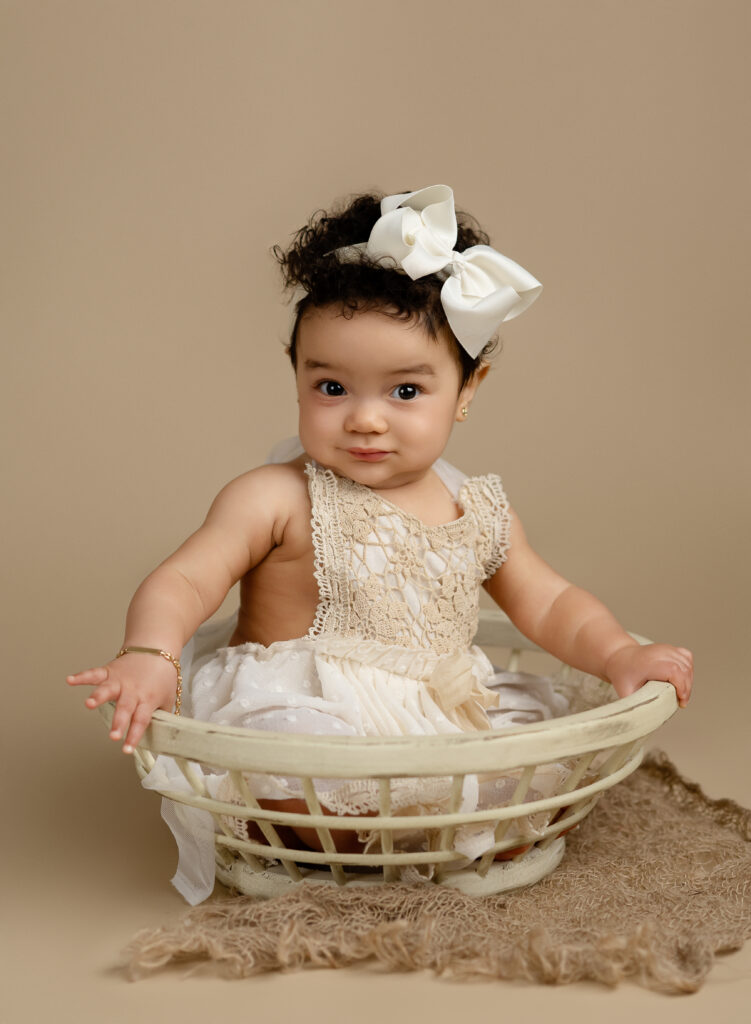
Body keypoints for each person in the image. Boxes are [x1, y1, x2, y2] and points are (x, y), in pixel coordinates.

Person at [67, 185, 693, 896]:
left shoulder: (476, 508)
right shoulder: (275, 496)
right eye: (331, 387)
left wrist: (617, 652)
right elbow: (183, 580)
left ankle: (443, 825)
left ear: (466, 389)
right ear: (297, 377)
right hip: (307, 706)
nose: (365, 420)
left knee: (525, 749)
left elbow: (549, 604)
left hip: (432, 712)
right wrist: (149, 653)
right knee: (297, 762)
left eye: (403, 392)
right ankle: (355, 840)